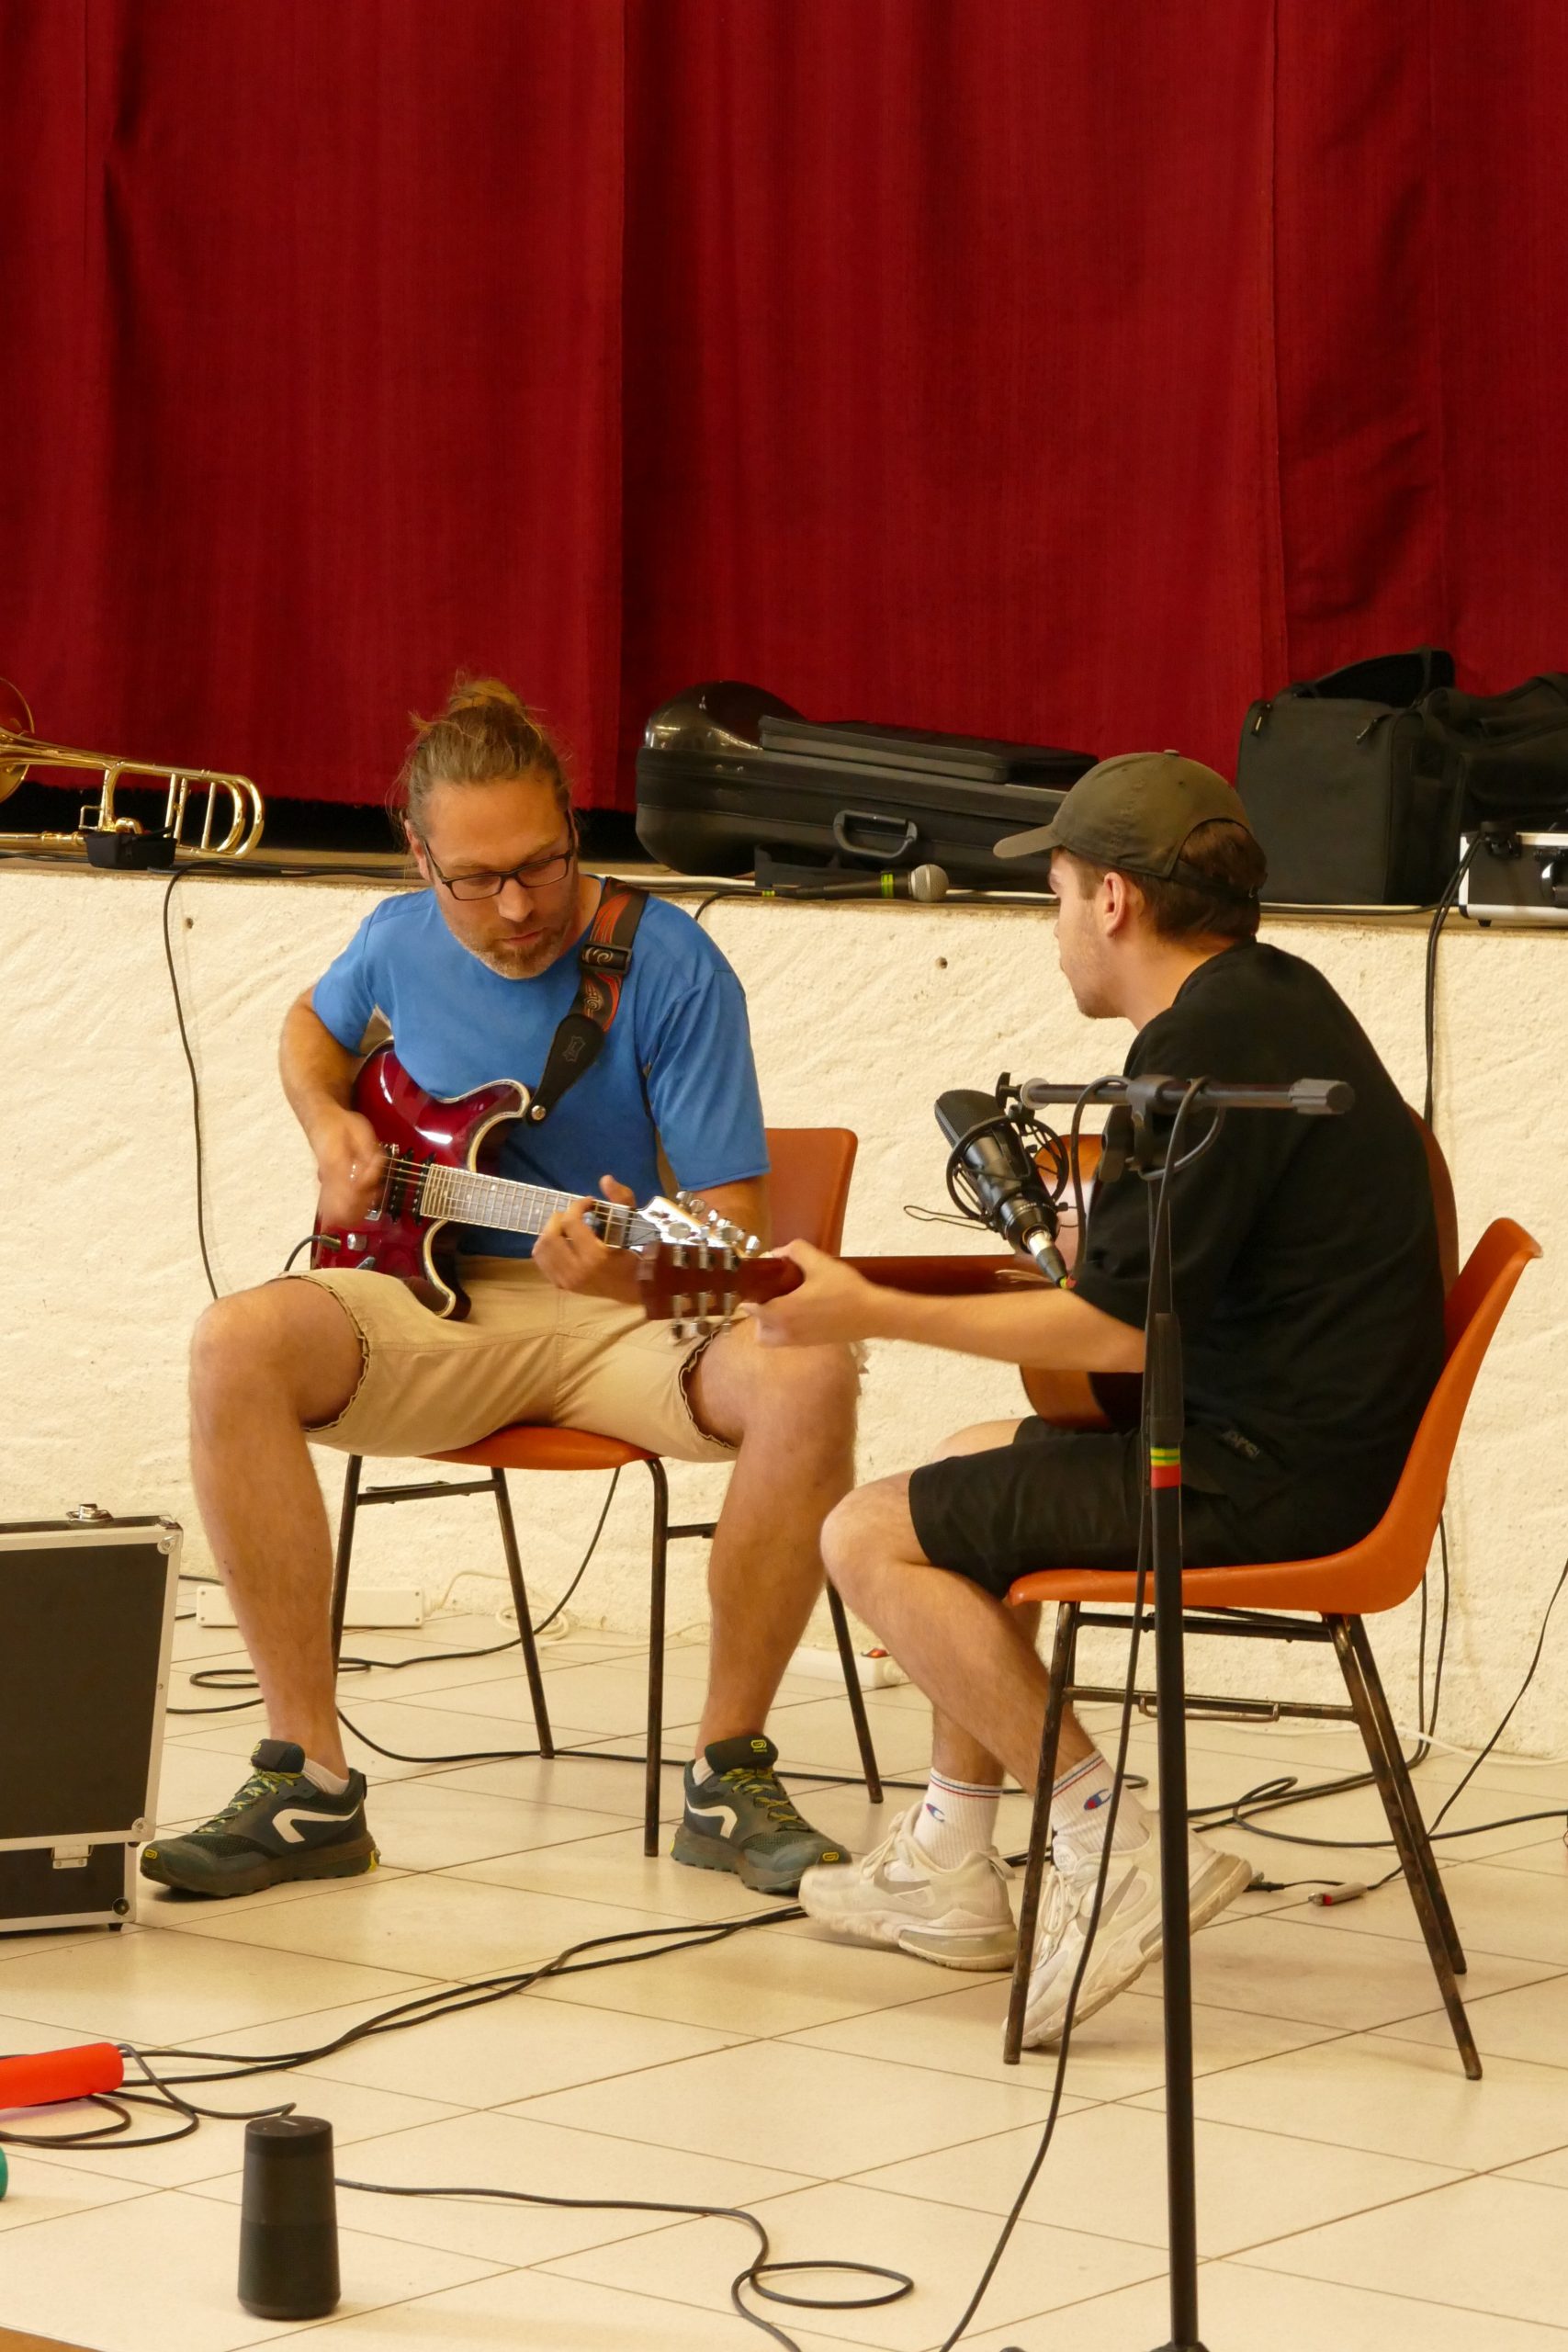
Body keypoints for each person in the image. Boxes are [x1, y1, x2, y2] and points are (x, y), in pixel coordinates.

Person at [752, 752, 1445, 2048]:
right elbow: (1183, 1277)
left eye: (1058, 894)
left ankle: (1107, 1838)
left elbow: (1115, 1338)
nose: (1057, 924)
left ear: (1114, 899)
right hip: (1313, 1446)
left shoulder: (1196, 1054)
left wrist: (867, 1308)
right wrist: (1103, 1245)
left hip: (1263, 1478)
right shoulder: (1273, 999)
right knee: (965, 1456)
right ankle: (951, 1860)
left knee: (865, 1532)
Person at [141, 678, 859, 1902]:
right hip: (430, 1299)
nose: (518, 908)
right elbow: (312, 1030)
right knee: (234, 1343)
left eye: (540, 865)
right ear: (418, 856)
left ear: (574, 823)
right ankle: (309, 1786)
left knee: (812, 1373)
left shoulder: (671, 965)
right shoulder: (394, 938)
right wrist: (327, 1124)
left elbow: (734, 1232)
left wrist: (634, 1264)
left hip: (627, 1311)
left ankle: (728, 1777)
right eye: (476, 880)